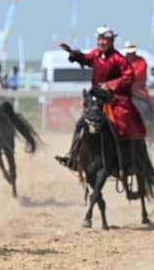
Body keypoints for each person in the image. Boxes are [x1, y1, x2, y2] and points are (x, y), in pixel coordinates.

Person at [55, 26, 145, 167]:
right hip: (97, 99)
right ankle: (73, 156)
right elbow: (84, 59)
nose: (101, 42)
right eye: (99, 39)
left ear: (111, 41)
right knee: (81, 124)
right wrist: (72, 52)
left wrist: (110, 85)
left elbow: (129, 76)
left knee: (121, 124)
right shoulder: (96, 54)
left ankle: (127, 160)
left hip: (115, 99)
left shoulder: (119, 59)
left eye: (104, 39)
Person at [123, 41, 154, 121]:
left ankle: (152, 122)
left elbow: (136, 75)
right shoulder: (122, 61)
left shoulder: (141, 61)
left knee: (147, 107)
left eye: (132, 52)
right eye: (129, 52)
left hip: (138, 90)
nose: (131, 54)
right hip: (123, 89)